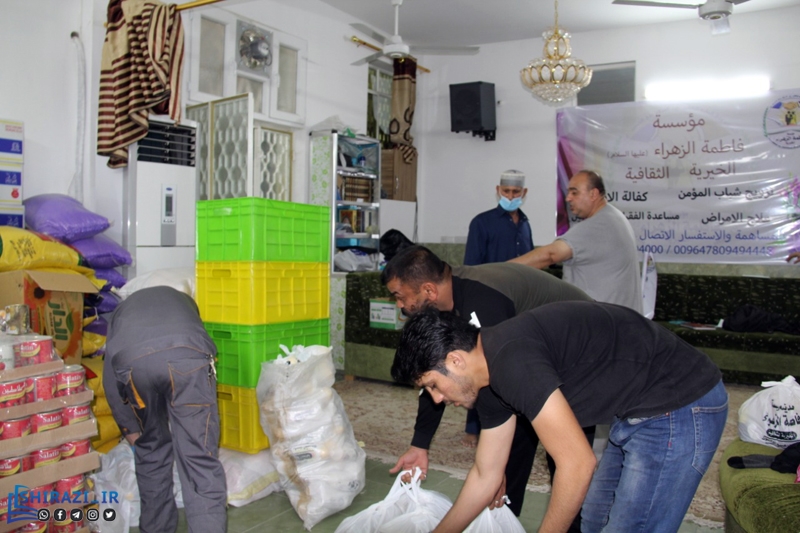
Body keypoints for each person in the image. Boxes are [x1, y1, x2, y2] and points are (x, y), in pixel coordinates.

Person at [392, 303, 728, 533]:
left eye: (433, 385)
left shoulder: (512, 362)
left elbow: (577, 464)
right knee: (594, 520)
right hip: (637, 408)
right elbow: (485, 475)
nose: (437, 399)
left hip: (680, 402)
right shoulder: (488, 381)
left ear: (455, 360)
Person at [380, 245, 594, 524]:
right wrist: (420, 444)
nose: (399, 305)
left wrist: (494, 469)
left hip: (583, 354)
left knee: (563, 456)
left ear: (428, 290)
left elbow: (500, 385)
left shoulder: (483, 301)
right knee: (506, 434)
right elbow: (435, 375)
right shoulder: (445, 304)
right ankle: (506, 519)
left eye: (400, 296)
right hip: (539, 359)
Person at [104, 286, 227, 533]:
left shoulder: (121, 311)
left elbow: (110, 376)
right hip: (188, 357)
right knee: (199, 458)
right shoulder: (186, 301)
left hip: (134, 364)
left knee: (151, 450)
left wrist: (130, 428)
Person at [510, 170, 643, 314]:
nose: (568, 198)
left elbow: (550, 255)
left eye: (575, 193)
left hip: (606, 321)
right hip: (618, 318)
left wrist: (501, 271)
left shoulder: (599, 224)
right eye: (568, 193)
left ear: (593, 194)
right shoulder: (613, 216)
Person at [464, 169, 533, 266]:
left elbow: (531, 260)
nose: (510, 197)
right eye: (506, 191)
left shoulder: (524, 223)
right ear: (498, 190)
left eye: (516, 191)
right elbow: (471, 264)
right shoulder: (482, 222)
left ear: (524, 192)